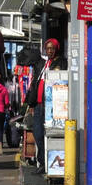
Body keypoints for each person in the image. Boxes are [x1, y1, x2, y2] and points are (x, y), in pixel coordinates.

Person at [24, 39, 61, 167]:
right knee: (38, 134)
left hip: (51, 105)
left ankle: (49, 163)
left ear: (56, 49)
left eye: (52, 48)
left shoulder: (60, 62)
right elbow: (35, 83)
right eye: (48, 48)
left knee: (51, 134)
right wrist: (31, 104)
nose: (50, 51)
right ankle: (42, 161)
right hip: (38, 105)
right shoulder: (43, 64)